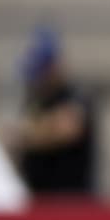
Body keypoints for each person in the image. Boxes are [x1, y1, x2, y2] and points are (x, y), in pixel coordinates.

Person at [11, 26, 97, 195]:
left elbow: (68, 127)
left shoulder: (76, 96)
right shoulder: (35, 100)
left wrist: (28, 133)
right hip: (38, 197)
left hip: (71, 201)